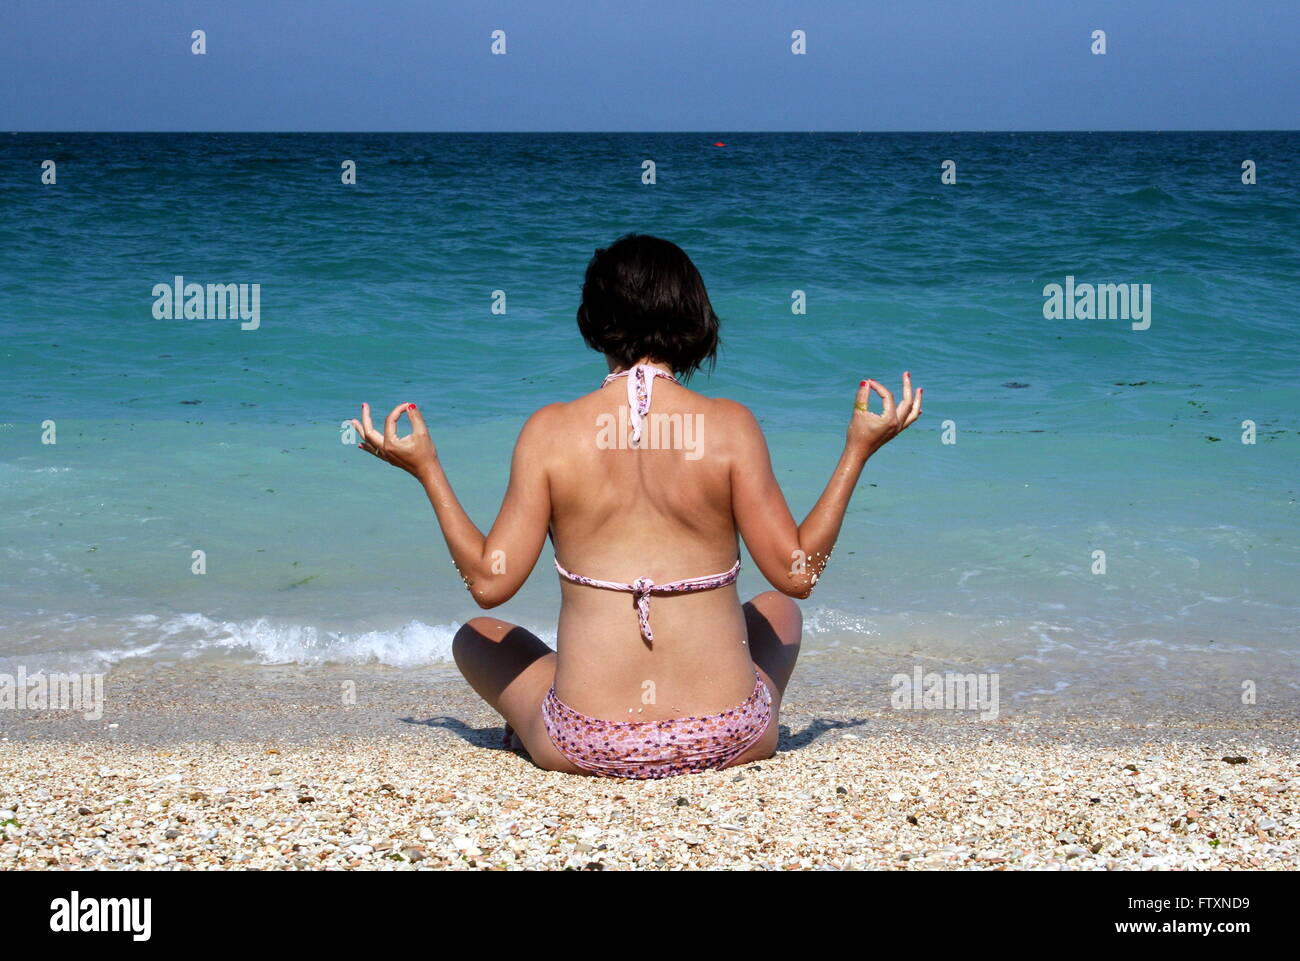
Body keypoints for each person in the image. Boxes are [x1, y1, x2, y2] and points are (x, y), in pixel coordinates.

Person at [352, 233, 922, 778]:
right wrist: (858, 449)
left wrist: (426, 469)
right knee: (779, 608)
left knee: (476, 633)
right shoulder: (730, 426)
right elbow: (798, 576)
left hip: (586, 741)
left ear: (595, 325)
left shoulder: (549, 432)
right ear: (695, 318)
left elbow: (489, 583)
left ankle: (554, 716)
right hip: (730, 734)